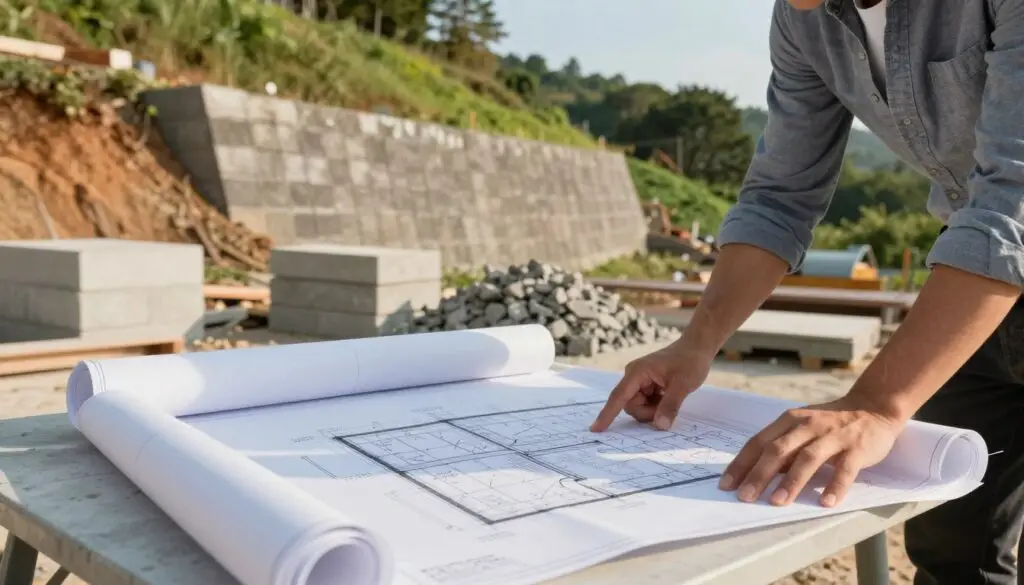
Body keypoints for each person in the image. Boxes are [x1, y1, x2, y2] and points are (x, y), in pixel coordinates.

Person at [589, 0, 1024, 583]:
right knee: (953, 545)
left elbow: (1014, 195)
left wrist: (876, 404)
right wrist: (696, 343)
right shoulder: (804, 18)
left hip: (995, 241)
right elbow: (779, 197)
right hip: (973, 273)